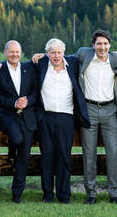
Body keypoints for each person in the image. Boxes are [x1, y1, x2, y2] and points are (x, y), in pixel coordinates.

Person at [34, 38, 90, 204]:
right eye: (52, 52)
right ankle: (48, 194)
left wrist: (115, 55)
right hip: (46, 117)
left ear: (63, 53)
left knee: (64, 157)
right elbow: (17, 65)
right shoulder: (40, 64)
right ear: (47, 53)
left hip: (67, 117)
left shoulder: (73, 63)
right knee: (47, 158)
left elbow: (94, 53)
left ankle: (64, 195)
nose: (56, 56)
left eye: (59, 52)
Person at [0, 40, 38, 204]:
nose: (14, 55)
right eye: (11, 52)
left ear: (21, 52)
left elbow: (35, 91)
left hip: (27, 117)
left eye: (17, 52)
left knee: (24, 156)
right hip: (9, 116)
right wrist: (13, 103)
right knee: (17, 140)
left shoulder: (29, 68)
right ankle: (12, 152)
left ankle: (17, 194)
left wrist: (28, 101)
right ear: (5, 53)